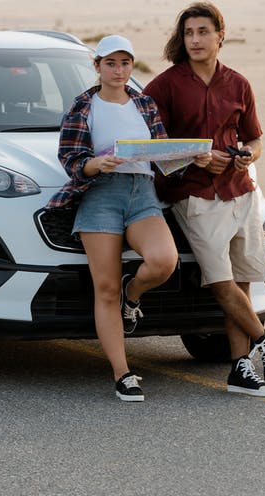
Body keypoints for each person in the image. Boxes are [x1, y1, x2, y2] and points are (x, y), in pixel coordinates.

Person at [44, 35, 210, 402]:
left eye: (125, 63)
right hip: (101, 195)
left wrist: (188, 157)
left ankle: (131, 295)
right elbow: (70, 159)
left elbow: (162, 156)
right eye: (111, 64)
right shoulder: (84, 106)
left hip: (141, 194)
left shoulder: (144, 103)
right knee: (103, 288)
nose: (119, 71)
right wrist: (94, 164)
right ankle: (123, 373)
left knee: (163, 262)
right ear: (98, 66)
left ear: (132, 66)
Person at [144, 2, 265, 397]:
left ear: (220, 35)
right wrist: (194, 155)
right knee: (220, 281)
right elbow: (150, 142)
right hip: (193, 195)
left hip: (241, 192)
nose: (195, 40)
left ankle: (241, 369)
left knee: (242, 282)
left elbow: (255, 139)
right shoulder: (166, 84)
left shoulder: (239, 84)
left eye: (203, 32)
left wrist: (246, 157)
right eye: (189, 33)